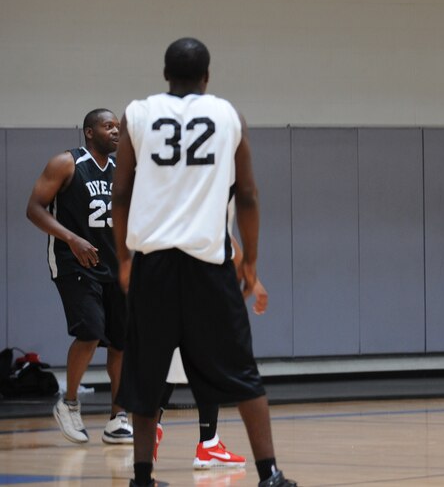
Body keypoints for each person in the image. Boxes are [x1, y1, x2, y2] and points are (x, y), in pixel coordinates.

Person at [112, 37, 294, 487]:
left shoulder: (136, 114)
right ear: (207, 77)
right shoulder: (228, 116)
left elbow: (121, 193)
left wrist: (122, 257)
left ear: (164, 74)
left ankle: (141, 477)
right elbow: (248, 194)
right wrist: (250, 262)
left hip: (152, 263)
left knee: (145, 371)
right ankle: (269, 474)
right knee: (242, 369)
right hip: (208, 264)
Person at [26, 108, 134, 445]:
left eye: (118, 127)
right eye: (108, 126)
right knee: (89, 332)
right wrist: (71, 238)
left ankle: (118, 417)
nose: (116, 131)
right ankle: (69, 402)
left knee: (121, 342)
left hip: (116, 265)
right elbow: (34, 208)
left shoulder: (122, 170)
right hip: (75, 263)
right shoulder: (66, 163)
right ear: (89, 132)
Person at [155, 225, 268, 470]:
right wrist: (252, 277)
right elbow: (225, 234)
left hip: (163, 284)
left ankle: (153, 428)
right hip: (203, 286)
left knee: (172, 363)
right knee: (210, 365)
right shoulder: (206, 199)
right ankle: (208, 444)